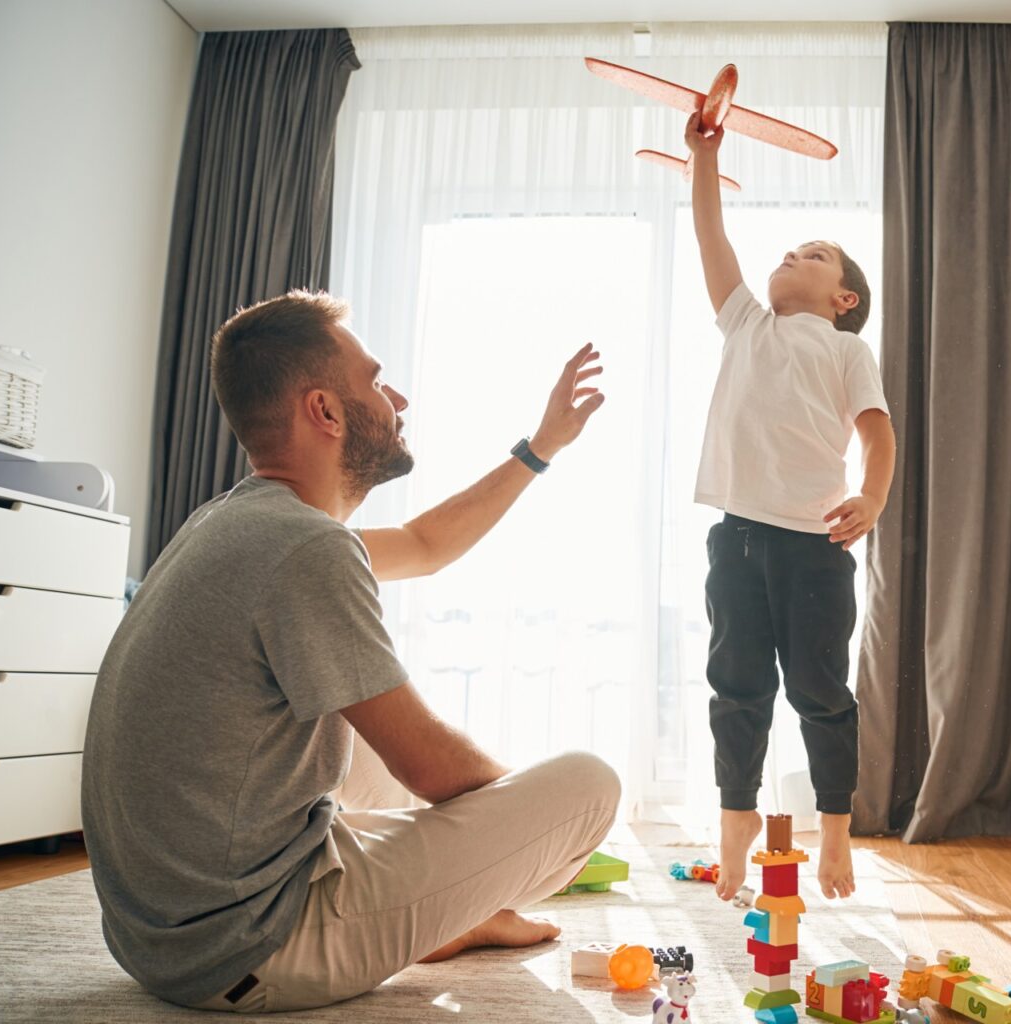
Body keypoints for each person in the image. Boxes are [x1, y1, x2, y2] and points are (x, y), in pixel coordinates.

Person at [81, 291, 617, 1012]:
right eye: (373, 379)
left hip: (161, 940)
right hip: (252, 950)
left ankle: (439, 911)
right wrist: (516, 820)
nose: (394, 396)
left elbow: (427, 546)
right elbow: (433, 769)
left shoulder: (238, 523)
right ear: (326, 411)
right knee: (588, 786)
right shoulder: (305, 548)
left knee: (350, 726)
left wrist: (539, 446)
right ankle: (443, 912)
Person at [684, 113, 898, 902]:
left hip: (813, 545)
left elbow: (878, 436)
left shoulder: (846, 350)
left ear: (843, 298)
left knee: (820, 691)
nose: (790, 257)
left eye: (813, 256)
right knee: (736, 685)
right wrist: (704, 158)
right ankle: (735, 816)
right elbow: (713, 239)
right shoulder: (746, 323)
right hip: (737, 538)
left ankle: (834, 826)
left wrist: (870, 497)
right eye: (789, 250)